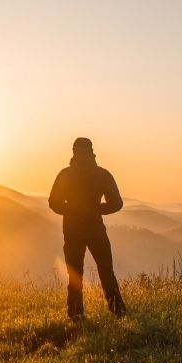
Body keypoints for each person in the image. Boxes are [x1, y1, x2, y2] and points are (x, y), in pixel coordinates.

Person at [48, 137, 127, 320]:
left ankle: (76, 314)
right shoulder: (102, 174)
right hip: (96, 230)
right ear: (92, 151)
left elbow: (54, 203)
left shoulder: (65, 175)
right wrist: (96, 209)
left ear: (73, 152)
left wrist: (72, 210)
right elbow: (117, 203)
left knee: (75, 274)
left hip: (72, 230)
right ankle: (117, 310)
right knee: (106, 270)